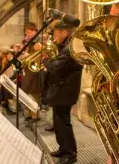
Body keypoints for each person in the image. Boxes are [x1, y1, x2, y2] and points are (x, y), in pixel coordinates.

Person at [43, 21, 82, 164]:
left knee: (64, 122)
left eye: (55, 33)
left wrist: (45, 60)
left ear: (64, 32)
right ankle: (63, 148)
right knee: (58, 122)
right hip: (61, 90)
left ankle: (70, 154)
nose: (54, 36)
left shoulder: (69, 49)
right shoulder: (64, 46)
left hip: (65, 91)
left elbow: (56, 67)